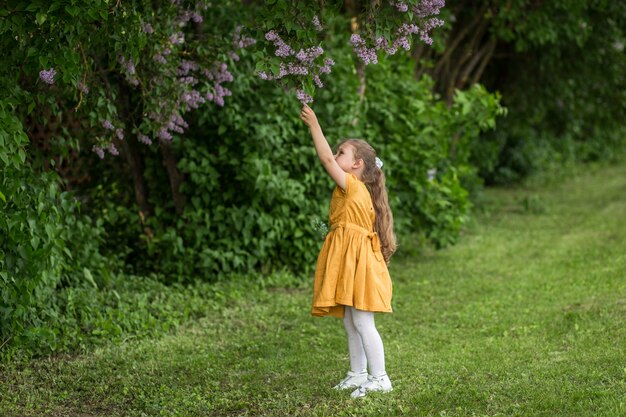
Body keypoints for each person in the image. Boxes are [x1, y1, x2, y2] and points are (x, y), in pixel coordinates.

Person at [300, 104, 397, 399]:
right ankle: (357, 374)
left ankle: (380, 378)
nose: (337, 156)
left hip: (361, 262)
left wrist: (314, 124)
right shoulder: (350, 188)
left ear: (357, 165)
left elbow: (325, 158)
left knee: (363, 321)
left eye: (343, 152)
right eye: (340, 151)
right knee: (350, 319)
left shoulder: (353, 186)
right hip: (352, 260)